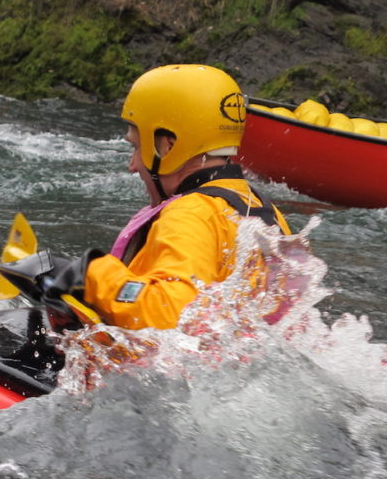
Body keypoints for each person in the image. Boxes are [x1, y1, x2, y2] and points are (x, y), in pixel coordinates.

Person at [46, 64, 292, 331]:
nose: (132, 165)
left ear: (168, 145)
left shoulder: (191, 214)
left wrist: (85, 274)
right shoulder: (261, 208)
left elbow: (170, 314)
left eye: (137, 147)